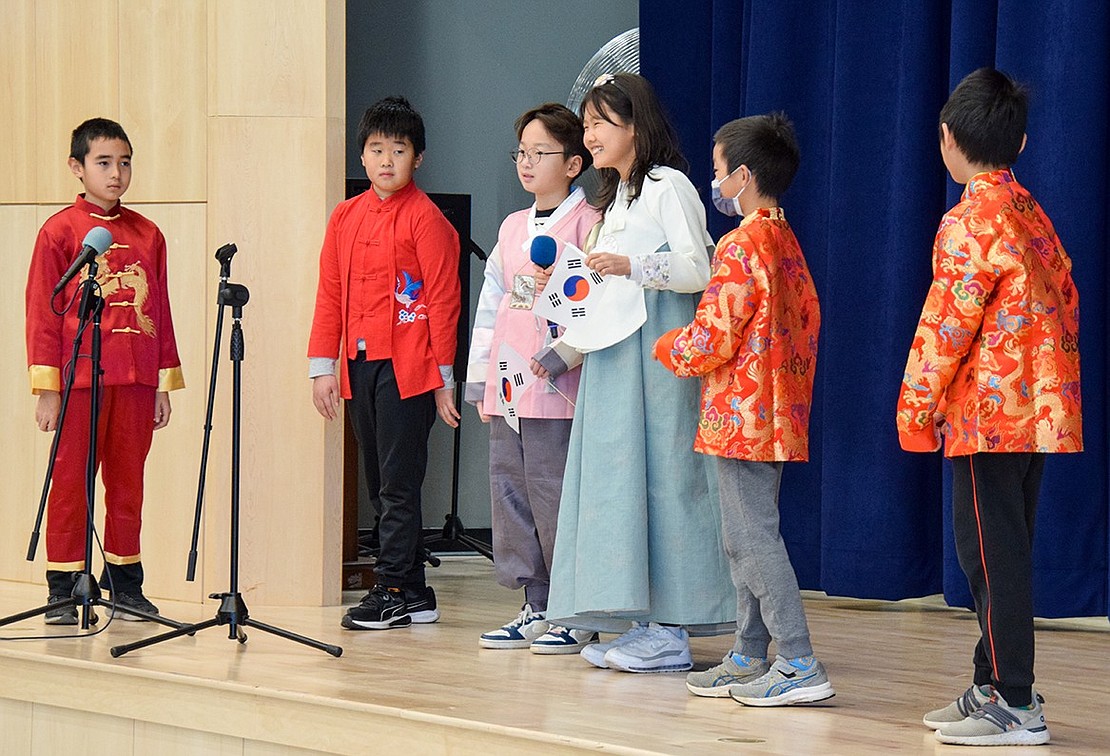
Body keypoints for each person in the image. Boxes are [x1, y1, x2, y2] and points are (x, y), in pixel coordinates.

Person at [897, 68, 1081, 747]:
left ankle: (1016, 702)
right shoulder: (1031, 211)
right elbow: (1067, 301)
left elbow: (947, 323)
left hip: (989, 417)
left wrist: (917, 406)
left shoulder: (968, 218)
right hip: (1041, 410)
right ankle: (990, 683)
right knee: (1005, 550)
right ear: (1022, 143)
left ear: (947, 139)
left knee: (988, 558)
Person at [537, 73, 735, 673]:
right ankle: (642, 621)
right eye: (589, 122)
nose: (590, 133)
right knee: (620, 486)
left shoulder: (667, 185)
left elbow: (699, 266)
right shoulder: (614, 200)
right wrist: (562, 347)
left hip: (659, 356)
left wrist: (631, 263)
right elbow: (602, 292)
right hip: (616, 361)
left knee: (669, 479)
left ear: (635, 127)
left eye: (601, 123)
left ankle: (673, 629)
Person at [655, 114, 834, 705]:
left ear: (744, 175)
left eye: (717, 172)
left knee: (750, 540)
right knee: (750, 534)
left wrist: (669, 347)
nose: (715, 183)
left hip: (742, 416)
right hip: (779, 411)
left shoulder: (740, 244)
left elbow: (711, 338)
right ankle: (749, 652)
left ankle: (798, 658)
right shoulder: (786, 241)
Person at [308, 96, 461, 631]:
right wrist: (322, 366)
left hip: (410, 367)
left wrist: (444, 381)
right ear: (363, 155)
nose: (386, 160)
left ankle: (392, 588)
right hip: (358, 364)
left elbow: (443, 302)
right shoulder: (345, 216)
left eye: (399, 150)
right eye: (376, 149)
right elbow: (330, 293)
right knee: (379, 482)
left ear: (418, 157)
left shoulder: (429, 220)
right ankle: (416, 590)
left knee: (398, 483)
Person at [26, 117, 185, 624]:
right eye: (103, 163)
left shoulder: (148, 234)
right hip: (79, 380)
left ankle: (125, 583)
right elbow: (43, 312)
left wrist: (163, 381)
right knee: (71, 481)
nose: (116, 174)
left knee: (127, 483)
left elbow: (159, 310)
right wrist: (48, 388)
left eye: (124, 163)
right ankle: (65, 586)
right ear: (77, 167)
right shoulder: (59, 231)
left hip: (135, 379)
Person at [465, 104, 603, 653]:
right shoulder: (512, 227)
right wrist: (479, 380)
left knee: (556, 496)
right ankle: (535, 603)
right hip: (508, 386)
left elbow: (595, 309)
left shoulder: (588, 223)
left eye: (539, 153)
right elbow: (491, 304)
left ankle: (575, 607)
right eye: (520, 153)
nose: (526, 163)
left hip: (558, 390)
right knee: (511, 494)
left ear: (573, 164)